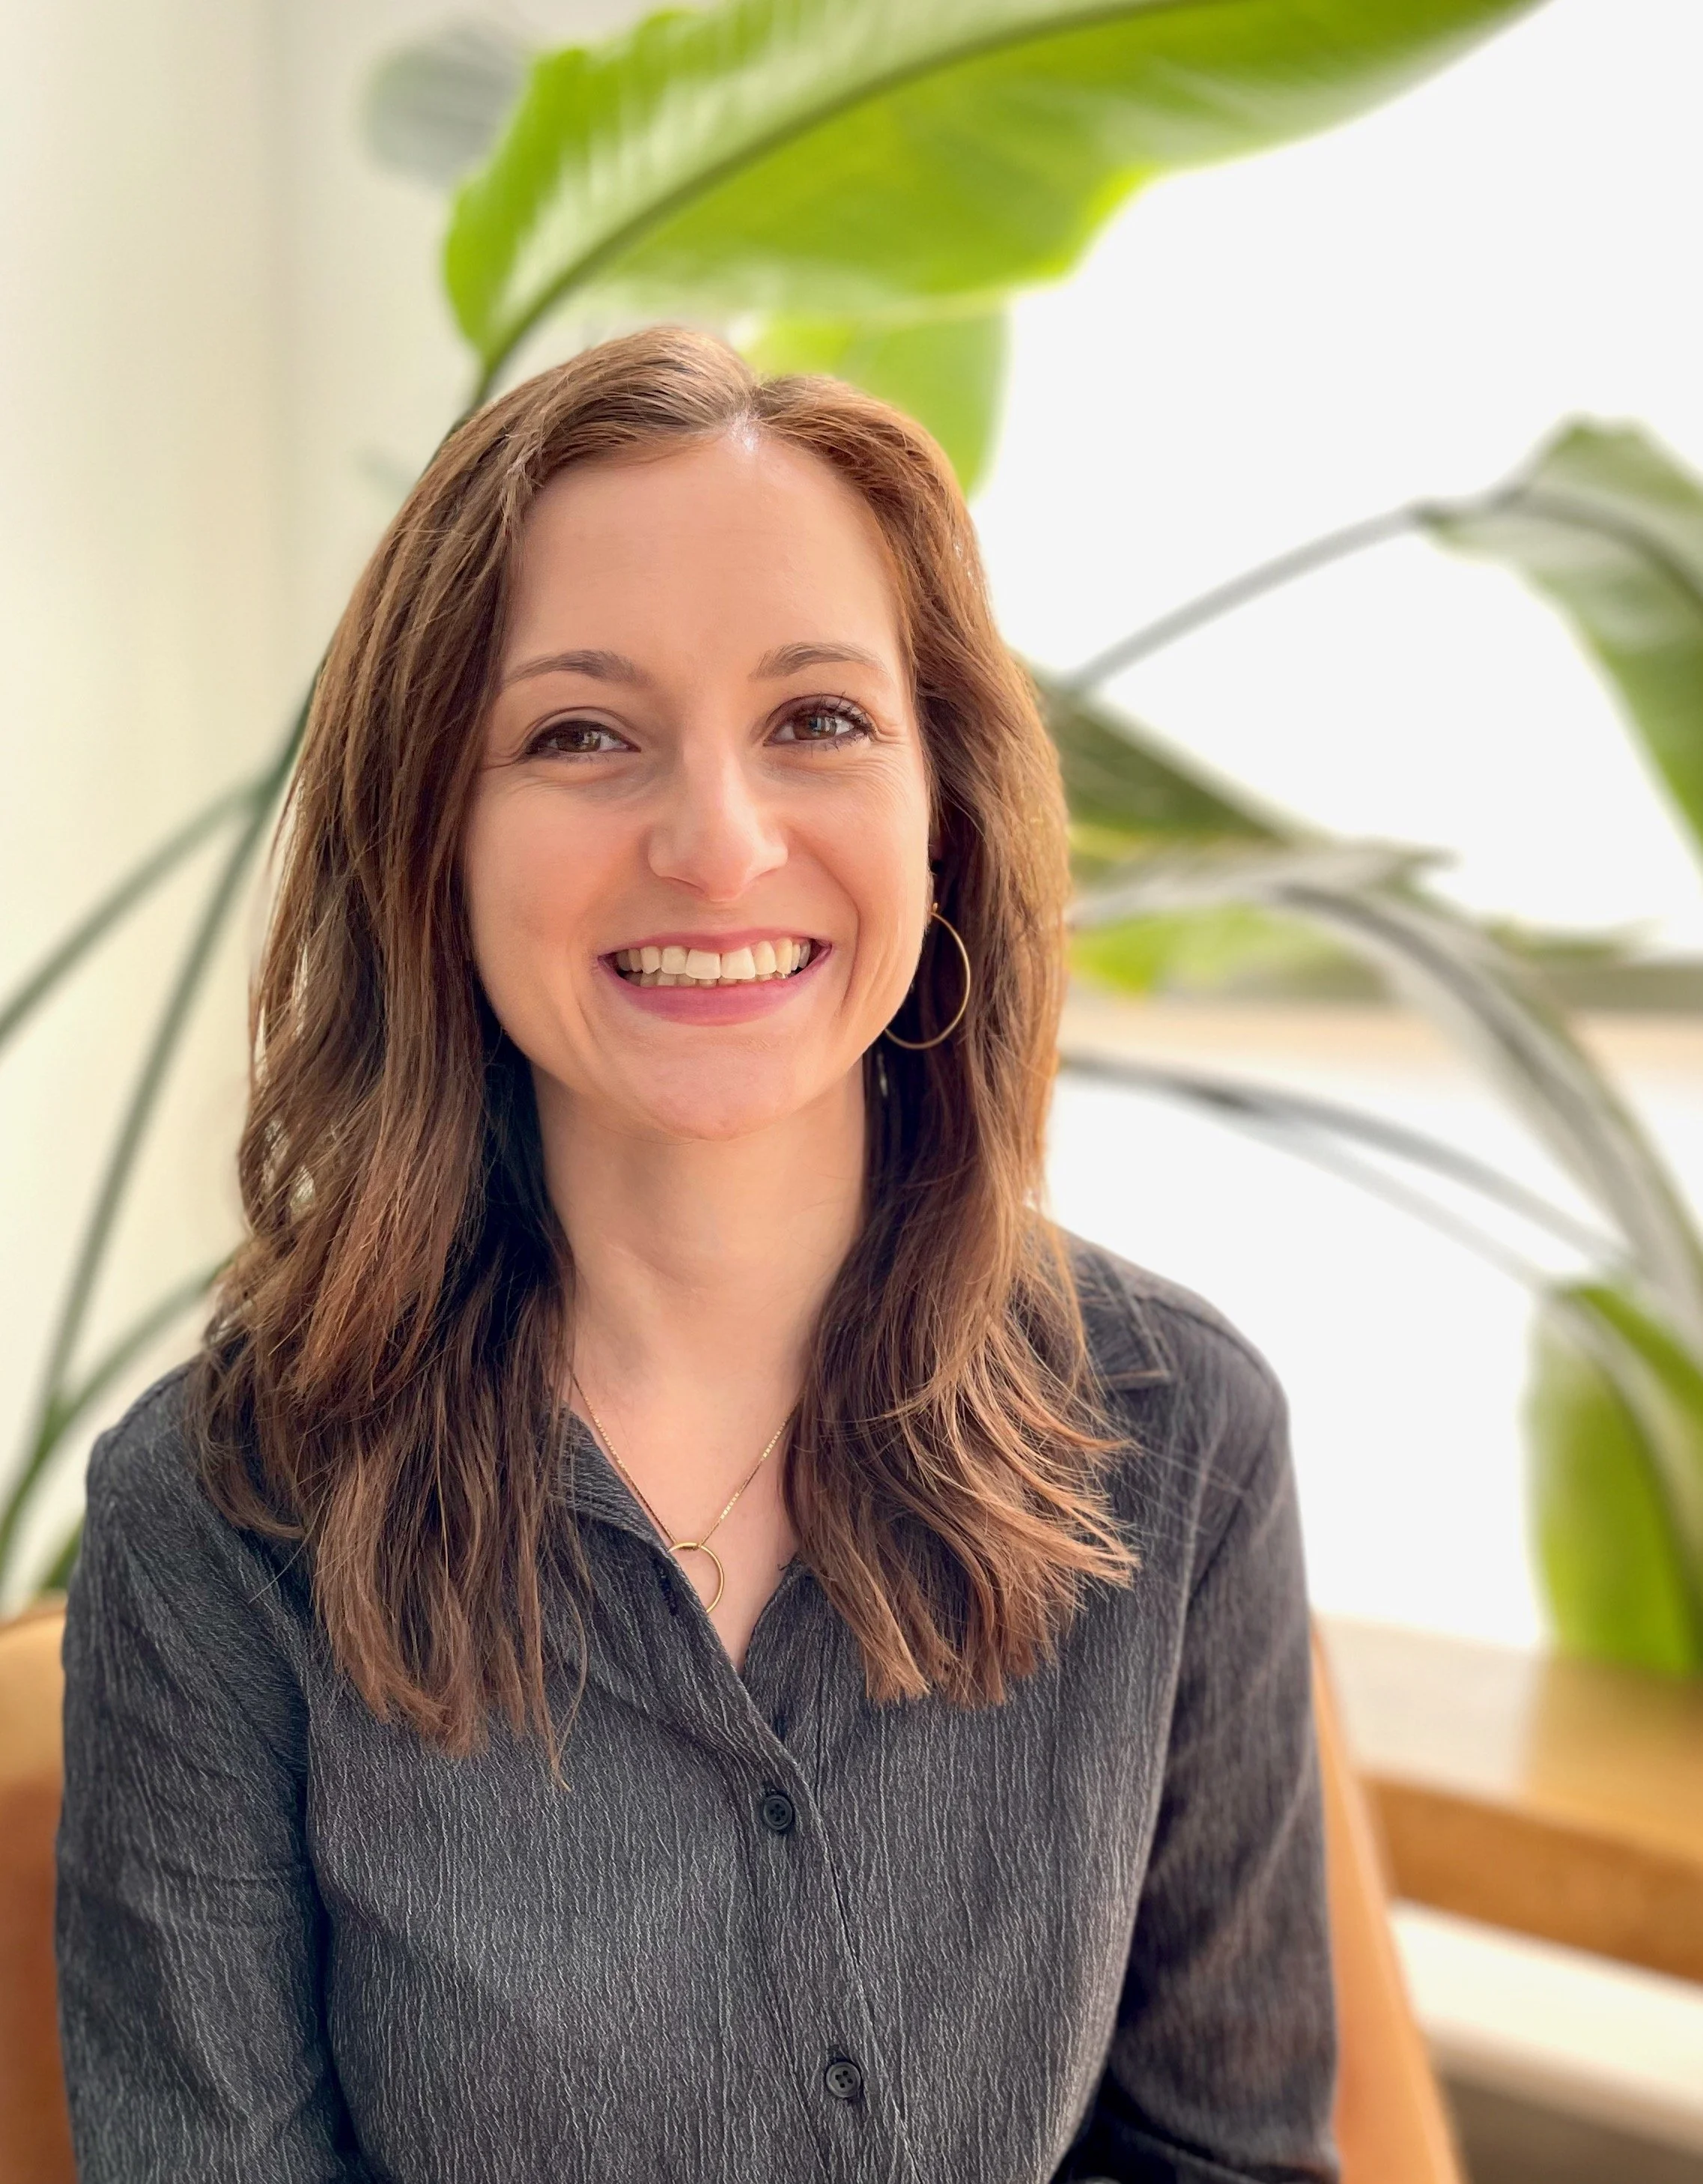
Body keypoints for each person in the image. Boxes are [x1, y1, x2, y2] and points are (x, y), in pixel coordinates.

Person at [54, 327, 1337, 2183]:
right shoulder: (222, 1521)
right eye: (581, 734)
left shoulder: (1183, 1437)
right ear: (436, 836)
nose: (720, 845)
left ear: (940, 810)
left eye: (817, 719)